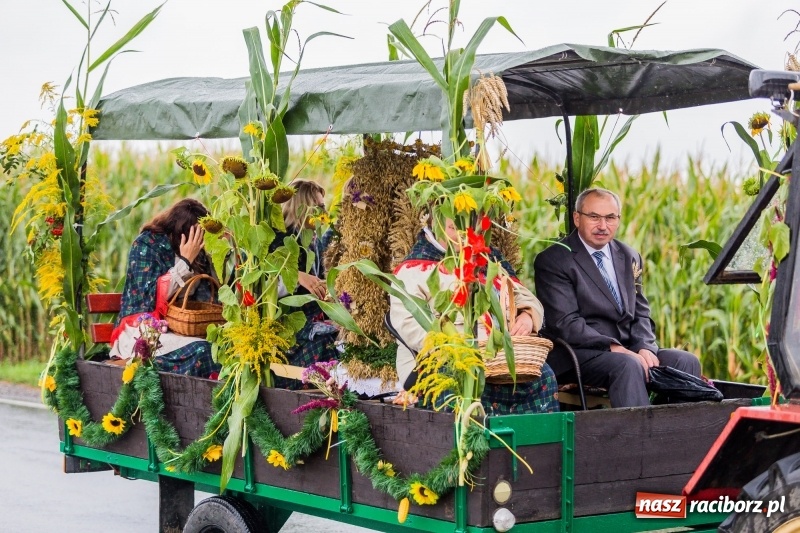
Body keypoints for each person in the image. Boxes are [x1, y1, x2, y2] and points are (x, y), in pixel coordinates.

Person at [533, 188, 701, 408]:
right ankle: (639, 441)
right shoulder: (554, 260)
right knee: (627, 365)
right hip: (580, 354)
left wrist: (645, 347)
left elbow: (641, 312)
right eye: (594, 217)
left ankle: (681, 435)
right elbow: (565, 323)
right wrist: (612, 346)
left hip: (627, 349)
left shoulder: (629, 256)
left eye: (610, 217)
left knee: (685, 361)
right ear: (577, 218)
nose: (603, 226)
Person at [390, 217, 560, 415]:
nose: (458, 220)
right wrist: (459, 349)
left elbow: (526, 299)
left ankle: (540, 444)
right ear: (435, 215)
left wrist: (527, 317)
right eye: (450, 214)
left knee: (544, 374)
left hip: (498, 357)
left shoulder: (488, 259)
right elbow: (409, 324)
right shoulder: (414, 268)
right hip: (444, 358)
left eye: (466, 214)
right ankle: (469, 443)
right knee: (460, 377)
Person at [109, 199, 221, 378]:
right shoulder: (146, 244)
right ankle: (144, 371)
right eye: (196, 235)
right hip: (143, 330)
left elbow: (209, 299)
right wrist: (184, 262)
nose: (200, 242)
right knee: (203, 350)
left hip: (183, 331)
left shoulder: (198, 252)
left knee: (221, 349)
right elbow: (148, 297)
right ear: (183, 232)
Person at [272, 179, 339, 389]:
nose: (323, 212)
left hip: (310, 317)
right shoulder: (280, 239)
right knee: (325, 345)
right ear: (302, 207)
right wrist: (298, 276)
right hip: (285, 325)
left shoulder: (312, 240)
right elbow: (267, 283)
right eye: (318, 207)